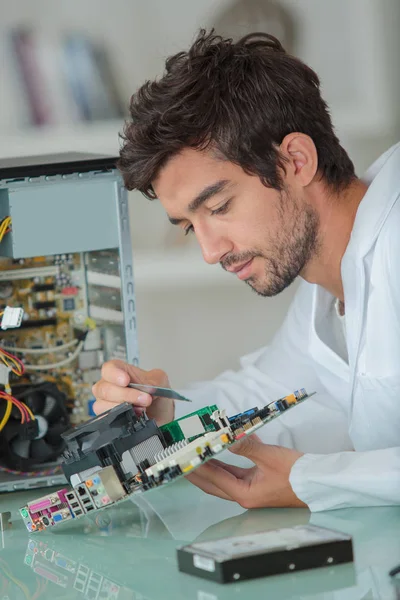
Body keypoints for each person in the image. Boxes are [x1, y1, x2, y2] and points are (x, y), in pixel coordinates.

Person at [92, 30, 400, 512]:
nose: (210, 251)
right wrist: (163, 411)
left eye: (219, 206)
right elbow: (269, 394)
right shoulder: (325, 289)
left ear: (295, 161)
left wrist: (315, 481)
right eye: (192, 227)